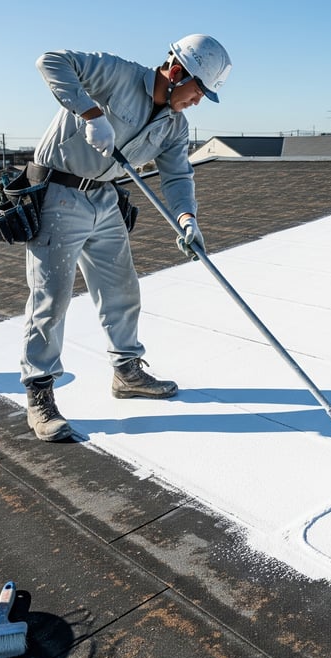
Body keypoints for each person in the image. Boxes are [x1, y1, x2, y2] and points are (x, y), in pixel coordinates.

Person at [22, 34, 232, 441]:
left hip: (105, 198)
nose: (197, 100)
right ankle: (39, 394)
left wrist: (187, 219)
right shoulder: (117, 74)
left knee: (122, 290)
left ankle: (127, 373)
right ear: (176, 73)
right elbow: (50, 60)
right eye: (198, 90)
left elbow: (176, 176)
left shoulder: (175, 125)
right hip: (59, 195)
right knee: (52, 298)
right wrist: (90, 113)